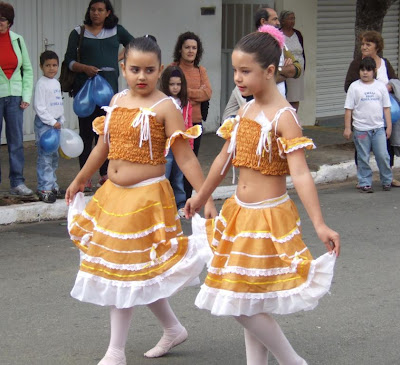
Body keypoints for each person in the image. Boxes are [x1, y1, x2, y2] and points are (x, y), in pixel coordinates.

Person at [185, 25, 340, 365]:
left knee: (239, 300)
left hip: (267, 217)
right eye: (236, 71)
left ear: (270, 71)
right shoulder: (246, 111)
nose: (237, 78)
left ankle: (292, 361)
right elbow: (223, 161)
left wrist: (320, 224)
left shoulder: (285, 117)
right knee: (248, 299)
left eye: (245, 71)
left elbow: (300, 173)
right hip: (239, 214)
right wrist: (201, 196)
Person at [65, 36, 217, 365]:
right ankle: (173, 328)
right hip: (113, 196)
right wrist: (79, 180)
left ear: (160, 69)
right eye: (134, 69)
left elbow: (186, 157)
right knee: (135, 270)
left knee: (126, 269)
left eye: (149, 70)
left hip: (147, 198)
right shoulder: (117, 100)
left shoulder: (165, 107)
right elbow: (102, 148)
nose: (142, 76)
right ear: (123, 68)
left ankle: (115, 351)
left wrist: (204, 196)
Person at [63, 0, 134, 192]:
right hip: (85, 91)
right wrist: (84, 68)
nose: (95, 13)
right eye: (93, 9)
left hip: (108, 91)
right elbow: (68, 60)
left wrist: (117, 58)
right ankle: (84, 177)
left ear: (108, 12)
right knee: (86, 133)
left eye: (100, 10)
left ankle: (105, 174)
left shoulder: (117, 31)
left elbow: (134, 45)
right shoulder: (78, 32)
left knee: (106, 133)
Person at [222, 6, 302, 120]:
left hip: (271, 98)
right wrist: (284, 71)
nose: (278, 23)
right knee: (229, 119)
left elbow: (297, 69)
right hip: (249, 93)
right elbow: (260, 75)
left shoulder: (279, 43)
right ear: (263, 22)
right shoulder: (252, 44)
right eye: (274, 19)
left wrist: (277, 71)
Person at [344, 30, 400, 187]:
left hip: (384, 110)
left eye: (368, 44)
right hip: (363, 112)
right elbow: (347, 86)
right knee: (362, 149)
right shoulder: (357, 64)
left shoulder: (385, 63)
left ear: (377, 47)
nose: (364, 47)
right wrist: (365, 87)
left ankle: (388, 176)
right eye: (362, 44)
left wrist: (389, 86)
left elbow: (395, 80)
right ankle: (362, 178)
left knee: (385, 147)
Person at [171, 31, 212, 199]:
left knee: (191, 162)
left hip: (195, 124)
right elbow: (170, 92)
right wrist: (197, 94)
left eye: (194, 48)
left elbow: (208, 93)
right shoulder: (172, 69)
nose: (190, 51)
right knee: (172, 164)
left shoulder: (201, 71)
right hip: (174, 123)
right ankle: (173, 200)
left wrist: (185, 93)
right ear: (180, 49)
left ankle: (187, 199)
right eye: (187, 47)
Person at [343, 57, 392, 193]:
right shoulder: (354, 87)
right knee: (363, 157)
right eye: (362, 70)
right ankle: (365, 182)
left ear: (374, 71)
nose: (365, 73)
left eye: (368, 70)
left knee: (382, 155)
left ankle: (386, 179)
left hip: (378, 128)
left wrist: (389, 126)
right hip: (361, 129)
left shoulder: (380, 87)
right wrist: (348, 127)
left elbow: (386, 108)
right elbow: (348, 109)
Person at [0, 1, 33, 196]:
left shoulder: (18, 40)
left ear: (10, 22)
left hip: (15, 97)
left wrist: (26, 96)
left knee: (16, 142)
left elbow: (27, 70)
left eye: (3, 19)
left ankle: (17, 182)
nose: (0, 23)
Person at [159, 65, 193, 218]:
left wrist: (189, 145)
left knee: (179, 176)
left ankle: (180, 204)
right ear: (165, 84)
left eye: (178, 84)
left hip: (180, 144)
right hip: (166, 145)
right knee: (164, 175)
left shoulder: (185, 104)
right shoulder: (162, 102)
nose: (175, 87)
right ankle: (163, 205)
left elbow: (189, 124)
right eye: (172, 84)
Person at [33, 50, 65, 203]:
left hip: (56, 124)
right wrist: (52, 122)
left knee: (54, 157)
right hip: (45, 125)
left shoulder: (56, 82)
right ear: (41, 66)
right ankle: (44, 188)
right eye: (48, 65)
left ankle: (53, 184)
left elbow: (58, 103)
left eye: (54, 65)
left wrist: (61, 119)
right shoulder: (41, 84)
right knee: (45, 157)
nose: (52, 68)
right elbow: (39, 108)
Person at [280, 10, 305, 112]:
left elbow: (302, 52)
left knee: (295, 97)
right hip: (285, 69)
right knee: (285, 95)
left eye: (293, 18)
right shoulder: (279, 34)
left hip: (298, 70)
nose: (292, 21)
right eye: (290, 18)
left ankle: (294, 117)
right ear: (283, 21)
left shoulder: (297, 34)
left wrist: (304, 69)